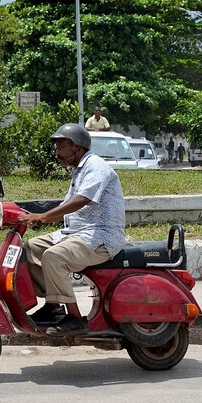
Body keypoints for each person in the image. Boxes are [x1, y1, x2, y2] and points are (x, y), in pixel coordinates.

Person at [19, 123, 126, 336]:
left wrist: (44, 216)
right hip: (78, 233)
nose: (57, 152)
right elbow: (66, 210)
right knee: (32, 248)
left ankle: (76, 319)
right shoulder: (79, 171)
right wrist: (36, 218)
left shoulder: (95, 166)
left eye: (61, 147)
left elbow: (81, 200)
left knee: (53, 257)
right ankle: (54, 305)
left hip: (101, 236)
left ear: (76, 147)